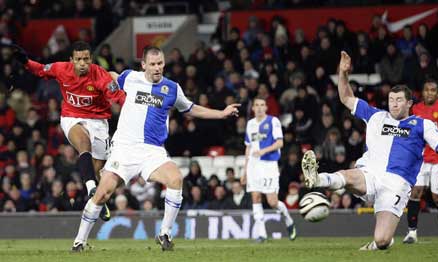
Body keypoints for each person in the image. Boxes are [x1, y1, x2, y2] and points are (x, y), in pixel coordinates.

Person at [71, 46, 240, 252]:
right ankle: (79, 241)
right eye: (152, 64)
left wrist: (221, 113)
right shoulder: (130, 78)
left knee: (176, 179)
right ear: (144, 65)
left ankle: (165, 233)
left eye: (160, 63)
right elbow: (112, 76)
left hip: (152, 151)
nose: (157, 67)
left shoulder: (172, 88)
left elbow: (191, 109)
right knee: (102, 193)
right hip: (125, 148)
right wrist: (87, 69)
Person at [301, 51, 438, 251]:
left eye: (398, 100)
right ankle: (317, 179)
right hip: (370, 172)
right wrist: (343, 73)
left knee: (382, 241)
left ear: (409, 103)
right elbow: (346, 98)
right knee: (349, 176)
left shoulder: (423, 125)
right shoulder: (375, 116)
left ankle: (382, 240)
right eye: (391, 100)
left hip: (397, 183)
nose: (394, 104)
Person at [10, 41, 126, 221]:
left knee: (99, 170)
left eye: (86, 59)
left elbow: (119, 97)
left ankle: (98, 197)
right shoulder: (61, 69)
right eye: (78, 59)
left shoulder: (100, 76)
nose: (82, 63)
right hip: (71, 117)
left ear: (91, 59)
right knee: (83, 143)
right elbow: (40, 69)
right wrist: (26, 61)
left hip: (98, 121)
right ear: (71, 60)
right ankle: (91, 189)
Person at [240, 97, 296, 242]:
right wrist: (244, 170)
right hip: (253, 165)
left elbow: (280, 143)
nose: (259, 108)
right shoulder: (250, 124)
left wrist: (264, 151)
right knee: (256, 197)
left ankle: (288, 219)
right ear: (252, 108)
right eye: (256, 105)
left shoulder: (273, 121)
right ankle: (261, 234)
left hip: (268, 165)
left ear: (266, 107)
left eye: (262, 105)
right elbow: (248, 147)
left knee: (272, 202)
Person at [403, 79, 438, 244]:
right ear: (422, 92)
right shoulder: (416, 109)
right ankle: (411, 233)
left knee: (437, 197)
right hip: (421, 158)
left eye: (432, 90)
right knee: (415, 192)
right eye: (426, 90)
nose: (429, 93)